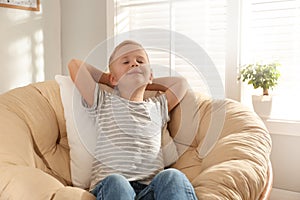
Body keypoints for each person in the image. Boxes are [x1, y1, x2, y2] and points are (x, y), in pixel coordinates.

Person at [68, 40, 197, 200]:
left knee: (172, 176)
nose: (134, 64)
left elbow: (181, 83)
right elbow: (75, 65)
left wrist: (145, 79)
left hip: (150, 190)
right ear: (113, 79)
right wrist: (109, 79)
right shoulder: (103, 101)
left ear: (150, 75)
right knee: (117, 181)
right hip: (113, 190)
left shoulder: (157, 107)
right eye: (126, 61)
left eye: (140, 61)